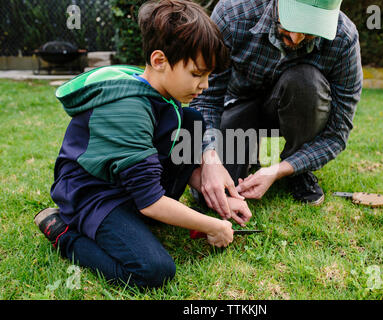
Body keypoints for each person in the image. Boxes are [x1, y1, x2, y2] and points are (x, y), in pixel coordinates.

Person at [34, 0, 251, 289]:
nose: (205, 86)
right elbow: (149, 201)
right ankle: (63, 233)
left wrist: (219, 200)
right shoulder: (128, 111)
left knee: (191, 120)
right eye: (197, 74)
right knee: (153, 270)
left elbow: (176, 160)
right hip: (93, 192)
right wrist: (212, 225)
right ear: (160, 61)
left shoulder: (164, 93)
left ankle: (145, 216)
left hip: (125, 184)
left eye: (208, 75)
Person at [190, 0, 363, 210]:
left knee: (305, 81)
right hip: (240, 106)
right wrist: (210, 158)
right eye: (293, 22)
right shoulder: (232, 14)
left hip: (298, 106)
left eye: (310, 30)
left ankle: (297, 168)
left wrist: (280, 169)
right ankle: (247, 152)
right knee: (209, 195)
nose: (296, 38)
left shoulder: (344, 39)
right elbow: (206, 99)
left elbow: (337, 133)